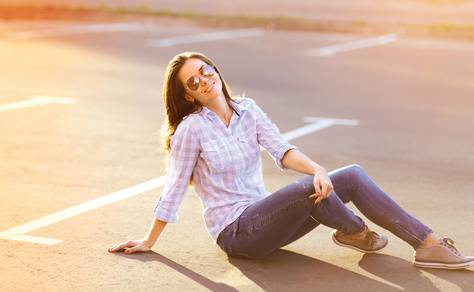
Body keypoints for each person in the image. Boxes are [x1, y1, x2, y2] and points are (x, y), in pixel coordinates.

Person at [108, 51, 473, 270]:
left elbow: (282, 151)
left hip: (265, 217)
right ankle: (355, 231)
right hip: (236, 233)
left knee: (349, 175)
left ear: (216, 71)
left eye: (205, 70)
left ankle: (426, 244)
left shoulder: (247, 110)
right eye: (192, 82)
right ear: (188, 96)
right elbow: (173, 187)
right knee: (307, 190)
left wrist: (316, 168)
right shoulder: (189, 130)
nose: (203, 80)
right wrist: (148, 240)